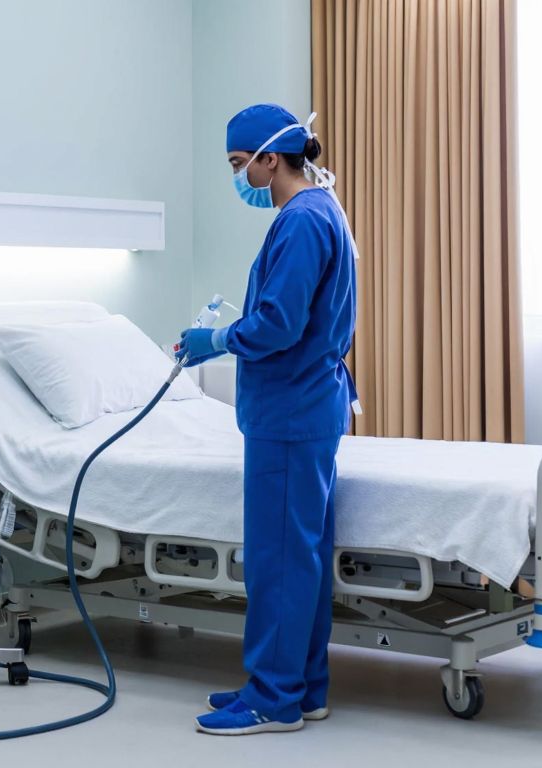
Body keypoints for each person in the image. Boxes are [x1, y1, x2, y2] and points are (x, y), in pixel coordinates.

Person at [176, 104, 358, 736]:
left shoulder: (302, 220)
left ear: (269, 159)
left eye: (238, 164)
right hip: (308, 405)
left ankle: (272, 700)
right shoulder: (321, 210)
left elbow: (278, 323)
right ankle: (302, 688)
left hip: (289, 411)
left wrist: (218, 338)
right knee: (300, 556)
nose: (239, 177)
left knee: (279, 560)